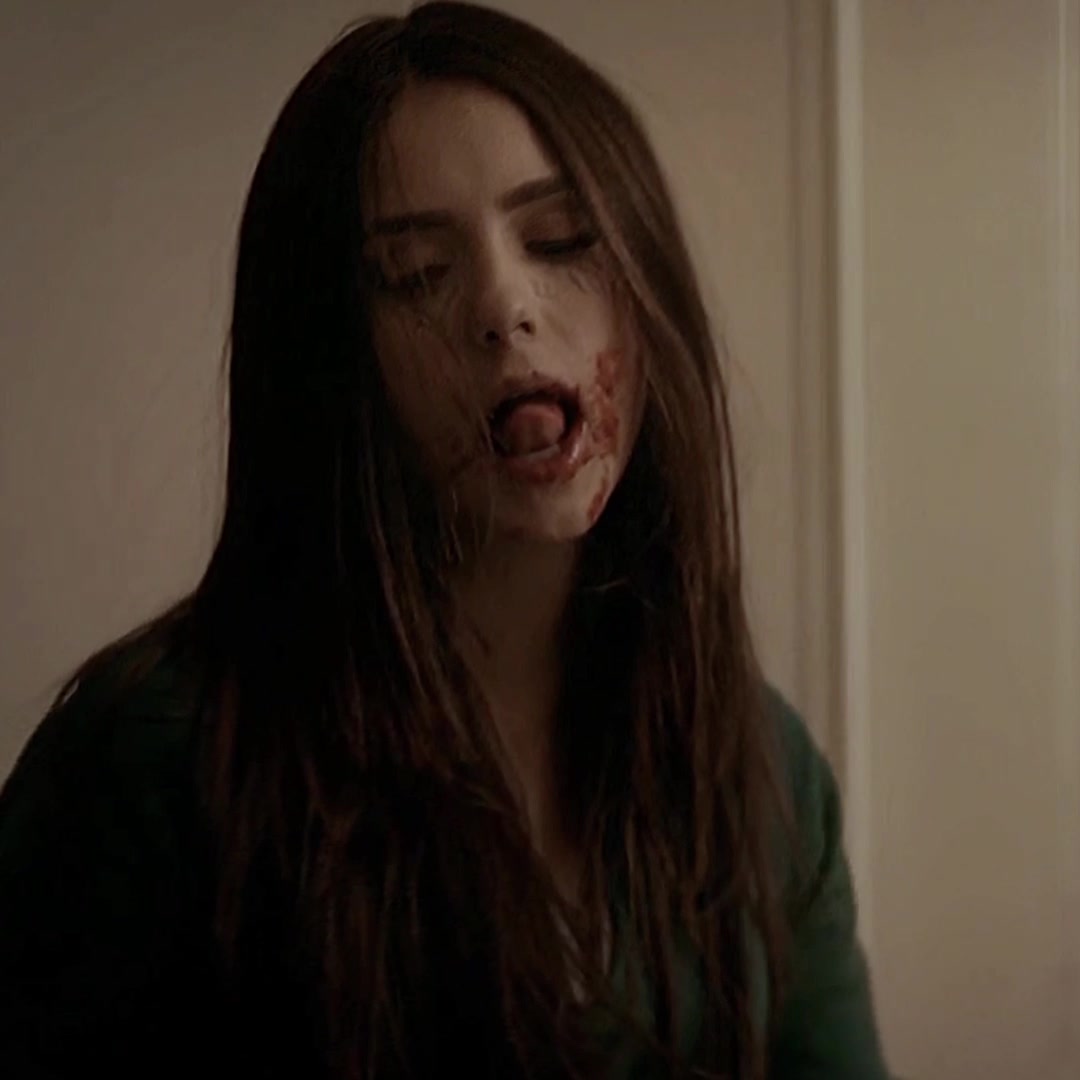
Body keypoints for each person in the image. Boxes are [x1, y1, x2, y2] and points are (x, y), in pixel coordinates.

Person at [0, 3, 891, 1078]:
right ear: (333, 354)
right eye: (419, 272)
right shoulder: (153, 759)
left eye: (561, 239)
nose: (504, 305)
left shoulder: (766, 772)